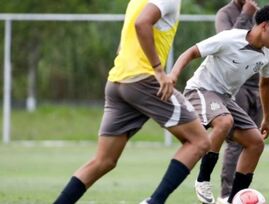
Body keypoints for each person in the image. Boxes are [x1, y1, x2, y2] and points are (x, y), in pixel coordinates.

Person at [53, 0, 211, 204]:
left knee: (104, 161)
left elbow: (125, 41)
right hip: (144, 81)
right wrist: (158, 70)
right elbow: (141, 23)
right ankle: (155, 201)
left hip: (118, 81)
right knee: (199, 141)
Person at [169, 5, 269, 204]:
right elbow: (190, 52)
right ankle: (203, 179)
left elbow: (266, 85)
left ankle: (234, 200)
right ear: (264, 26)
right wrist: (172, 75)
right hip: (200, 90)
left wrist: (267, 118)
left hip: (225, 98)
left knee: (256, 143)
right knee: (224, 122)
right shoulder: (229, 38)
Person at [214, 1, 269, 203]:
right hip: (235, 86)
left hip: (256, 86)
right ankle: (226, 194)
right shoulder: (225, 14)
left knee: (255, 140)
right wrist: (245, 15)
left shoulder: (261, 16)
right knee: (236, 142)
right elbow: (227, 44)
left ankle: (240, 194)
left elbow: (265, 50)